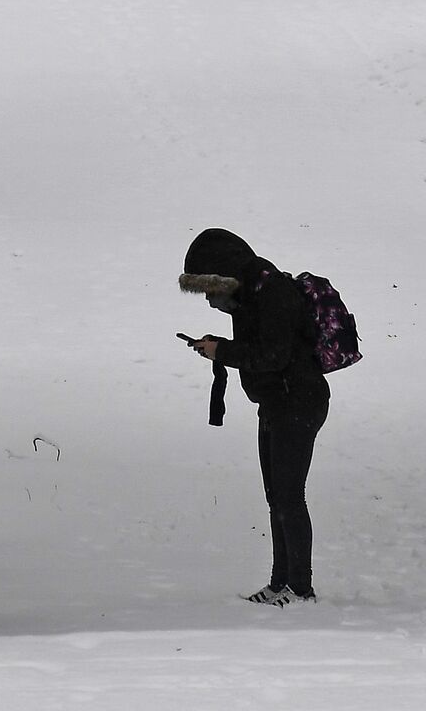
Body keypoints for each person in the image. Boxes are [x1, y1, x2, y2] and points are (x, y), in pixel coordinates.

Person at [179, 228, 329, 607]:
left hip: (298, 402)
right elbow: (257, 348)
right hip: (277, 403)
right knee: (276, 497)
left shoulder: (273, 295)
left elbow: (273, 356)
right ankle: (281, 583)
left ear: (227, 278)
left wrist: (222, 351)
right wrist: (219, 346)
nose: (210, 300)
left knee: (290, 497)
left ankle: (300, 590)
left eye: (211, 290)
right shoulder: (250, 298)